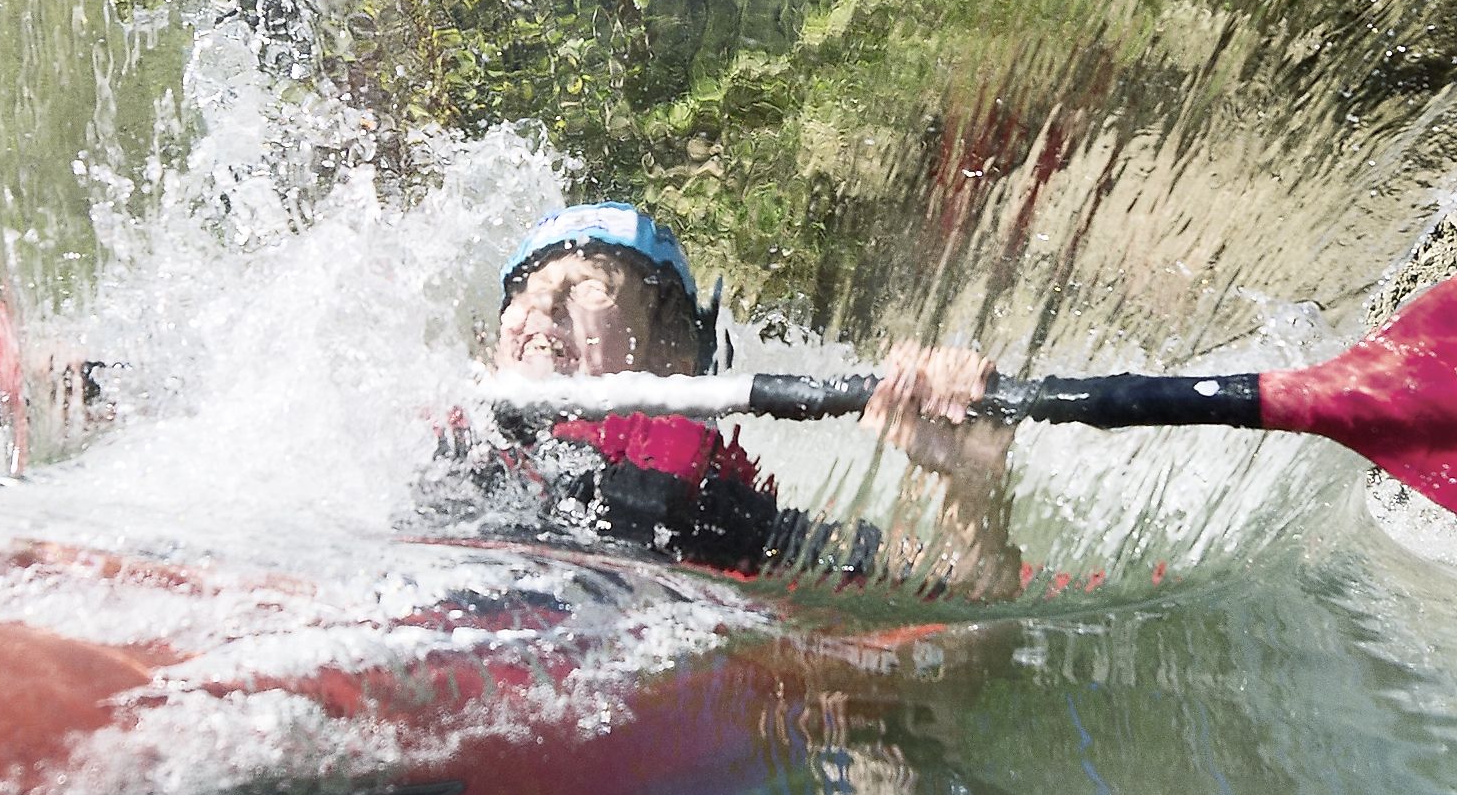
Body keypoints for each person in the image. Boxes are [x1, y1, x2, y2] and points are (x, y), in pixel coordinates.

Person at [433, 203, 1018, 587]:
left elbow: (965, 584)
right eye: (526, 290)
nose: (542, 304)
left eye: (589, 286)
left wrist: (971, 476)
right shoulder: (426, 441)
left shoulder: (702, 502)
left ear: (672, 356)